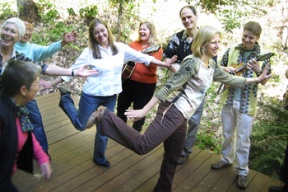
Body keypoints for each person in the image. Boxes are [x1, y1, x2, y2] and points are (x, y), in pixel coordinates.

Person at [91, 26, 271, 192]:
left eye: (218, 42)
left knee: (173, 156)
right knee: (143, 145)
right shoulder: (192, 63)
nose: (218, 46)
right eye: (214, 42)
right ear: (203, 43)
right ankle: (105, 115)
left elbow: (229, 79)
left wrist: (255, 80)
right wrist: (144, 110)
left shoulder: (212, 65)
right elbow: (169, 86)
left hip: (182, 116)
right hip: (172, 109)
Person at [48, 18, 175, 168]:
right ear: (93, 36)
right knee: (81, 125)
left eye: (102, 30)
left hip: (110, 97)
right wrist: (51, 84)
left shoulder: (120, 48)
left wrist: (164, 64)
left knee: (104, 128)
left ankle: (99, 157)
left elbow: (143, 57)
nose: (101, 34)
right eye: (96, 33)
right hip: (91, 95)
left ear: (107, 30)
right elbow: (72, 70)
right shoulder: (89, 52)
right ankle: (65, 100)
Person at [210, 21, 272, 189]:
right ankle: (226, 159)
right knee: (228, 132)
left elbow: (265, 81)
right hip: (228, 98)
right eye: (244, 36)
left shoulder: (264, 55)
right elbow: (217, 68)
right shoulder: (232, 50)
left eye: (251, 38)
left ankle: (242, 171)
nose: (246, 40)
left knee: (244, 139)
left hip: (247, 103)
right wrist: (226, 69)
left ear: (257, 38)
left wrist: (259, 70)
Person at [14, 19, 78, 154]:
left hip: (26, 94)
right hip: (8, 94)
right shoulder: (8, 48)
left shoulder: (31, 49)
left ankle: (43, 152)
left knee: (36, 120)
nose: (28, 32)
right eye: (25, 29)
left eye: (30, 29)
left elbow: (46, 53)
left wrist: (63, 42)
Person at [163, 5, 216, 165]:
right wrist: (176, 69)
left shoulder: (206, 37)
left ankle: (185, 151)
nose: (186, 20)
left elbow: (212, 62)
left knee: (193, 121)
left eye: (189, 17)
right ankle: (172, 149)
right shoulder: (176, 38)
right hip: (178, 88)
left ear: (196, 16)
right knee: (174, 118)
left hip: (197, 90)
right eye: (183, 18)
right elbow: (167, 58)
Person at [0, 60, 52, 192]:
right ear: (23, 90)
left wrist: (42, 157)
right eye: (37, 83)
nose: (40, 85)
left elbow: (25, 132)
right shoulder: (3, 114)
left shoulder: (17, 108)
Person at [116, 21, 163, 132]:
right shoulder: (132, 45)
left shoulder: (156, 48)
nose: (142, 31)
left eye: (145, 29)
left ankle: (135, 134)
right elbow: (122, 57)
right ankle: (119, 131)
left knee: (139, 110)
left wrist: (142, 56)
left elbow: (153, 65)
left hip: (146, 86)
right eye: (140, 29)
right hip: (128, 81)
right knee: (122, 106)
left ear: (150, 32)